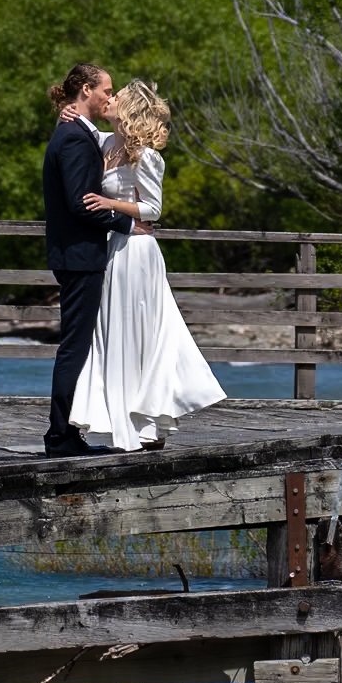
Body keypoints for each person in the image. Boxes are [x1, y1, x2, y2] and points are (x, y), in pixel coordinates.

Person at [70, 78, 226, 451]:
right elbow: (83, 130)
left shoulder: (147, 157)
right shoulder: (106, 144)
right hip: (112, 250)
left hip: (138, 252)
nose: (109, 100)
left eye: (117, 97)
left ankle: (147, 425)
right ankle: (116, 419)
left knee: (140, 332)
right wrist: (69, 113)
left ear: (129, 110)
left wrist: (111, 205)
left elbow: (153, 209)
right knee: (111, 331)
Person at [41, 61, 131, 455]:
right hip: (79, 256)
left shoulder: (76, 131)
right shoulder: (75, 137)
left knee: (77, 344)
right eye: (106, 91)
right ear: (85, 91)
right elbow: (80, 203)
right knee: (75, 347)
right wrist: (124, 223)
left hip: (75, 254)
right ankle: (60, 435)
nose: (110, 97)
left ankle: (67, 431)